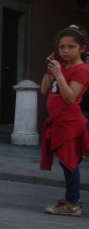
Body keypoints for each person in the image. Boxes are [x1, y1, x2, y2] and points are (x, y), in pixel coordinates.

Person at [40, 25, 89, 216]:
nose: (66, 51)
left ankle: (72, 204)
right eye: (62, 47)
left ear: (81, 48)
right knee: (67, 163)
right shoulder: (61, 67)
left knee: (70, 163)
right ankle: (72, 199)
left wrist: (59, 75)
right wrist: (49, 71)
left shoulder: (81, 70)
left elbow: (70, 97)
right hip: (58, 121)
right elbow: (44, 90)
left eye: (71, 46)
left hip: (69, 122)